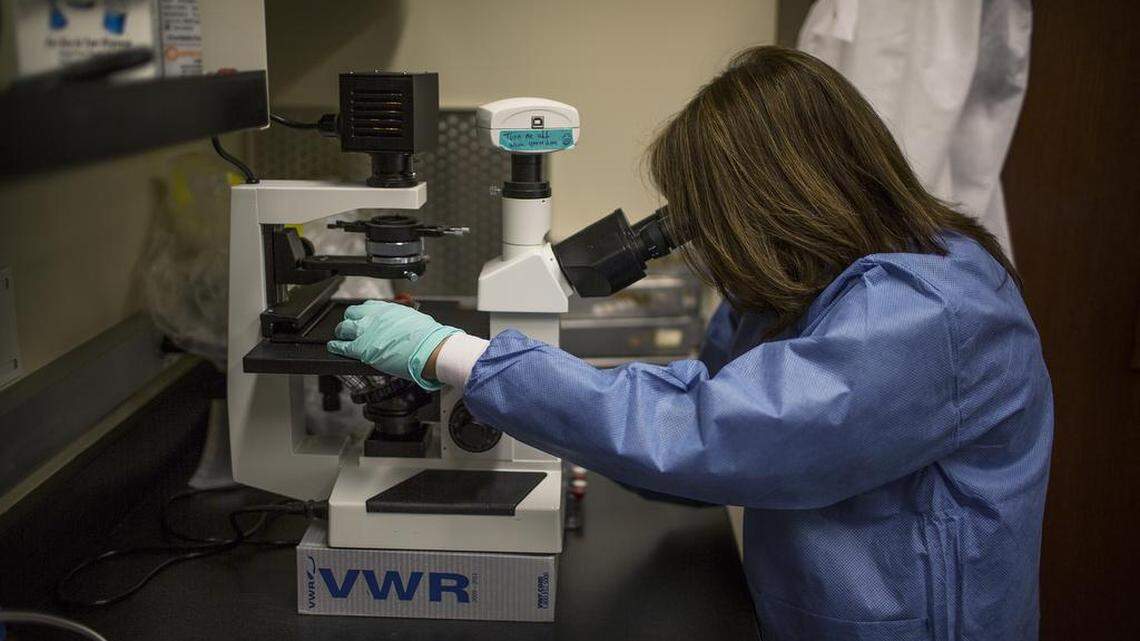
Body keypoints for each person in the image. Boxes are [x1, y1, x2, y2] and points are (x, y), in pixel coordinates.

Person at [327, 46, 1052, 641]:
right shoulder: (804, 288)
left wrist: (458, 355)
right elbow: (692, 424)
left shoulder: (930, 312)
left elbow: (720, 434)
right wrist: (559, 418)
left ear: (780, 198)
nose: (701, 239)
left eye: (711, 214)